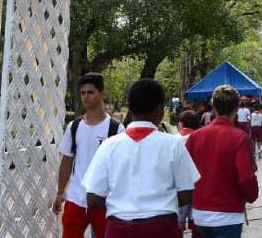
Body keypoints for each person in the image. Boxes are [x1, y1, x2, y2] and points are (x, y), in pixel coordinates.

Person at [82, 78, 200, 238]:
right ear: (160, 110)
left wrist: (123, 199)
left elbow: (93, 199)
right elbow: (187, 193)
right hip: (162, 228)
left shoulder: (108, 146)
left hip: (119, 229)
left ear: (130, 108)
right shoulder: (173, 145)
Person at [53, 73, 124, 238]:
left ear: (101, 94)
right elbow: (66, 160)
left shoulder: (116, 129)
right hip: (76, 198)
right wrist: (60, 192)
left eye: (91, 92)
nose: (86, 96)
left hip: (105, 201)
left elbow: (123, 167)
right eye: (83, 93)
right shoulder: (74, 126)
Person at [186, 85, 259, 238]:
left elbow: (185, 175)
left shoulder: (195, 137)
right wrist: (252, 195)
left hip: (199, 213)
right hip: (228, 214)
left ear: (213, 106)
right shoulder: (239, 138)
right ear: (237, 107)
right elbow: (246, 177)